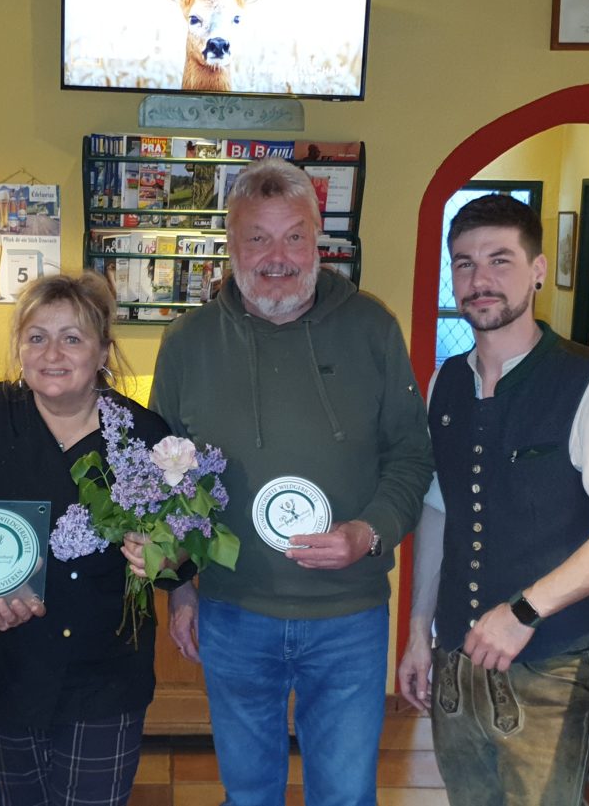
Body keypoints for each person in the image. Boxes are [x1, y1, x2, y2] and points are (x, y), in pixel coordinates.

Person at [149, 158, 434, 806]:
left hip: (348, 615)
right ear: (231, 245)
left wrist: (369, 531)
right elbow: (163, 477)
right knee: (248, 794)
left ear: (318, 239)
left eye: (294, 236)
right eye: (257, 238)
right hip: (232, 612)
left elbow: (412, 456)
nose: (277, 256)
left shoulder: (373, 328)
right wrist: (181, 583)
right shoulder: (187, 342)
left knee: (345, 794)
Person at [396, 194, 589, 806]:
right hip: (457, 658)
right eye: (463, 264)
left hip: (549, 670)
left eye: (500, 260)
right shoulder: (447, 380)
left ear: (538, 269)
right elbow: (441, 508)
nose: (480, 281)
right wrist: (417, 629)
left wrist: (522, 612)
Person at [0, 271, 182, 806]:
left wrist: (164, 557)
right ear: (19, 347)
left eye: (72, 337)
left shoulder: (146, 437)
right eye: (36, 336)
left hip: (107, 673)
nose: (53, 353)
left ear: (102, 351)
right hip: (8, 665)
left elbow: (185, 557)